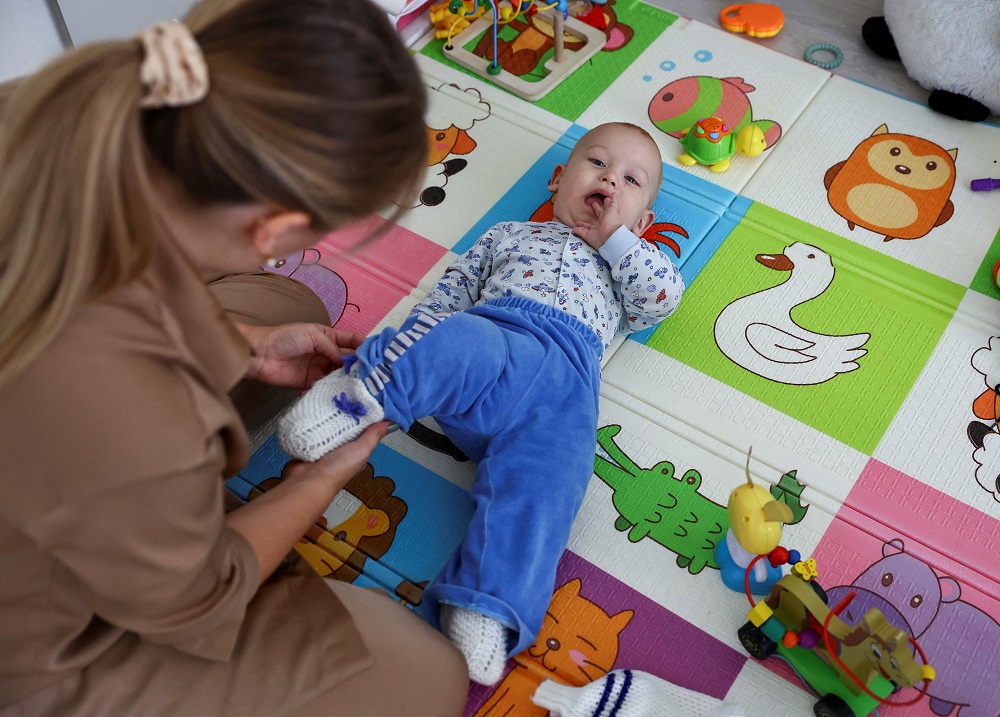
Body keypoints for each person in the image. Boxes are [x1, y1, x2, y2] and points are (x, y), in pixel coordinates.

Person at [0, 1, 471, 715]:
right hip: (31, 636)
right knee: (423, 669)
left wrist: (241, 342)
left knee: (289, 309)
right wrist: (317, 481)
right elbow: (197, 598)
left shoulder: (47, 107)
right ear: (274, 226)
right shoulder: (123, 407)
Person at [278, 122, 685, 685]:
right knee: (454, 340)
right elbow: (446, 301)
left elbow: (661, 302)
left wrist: (618, 242)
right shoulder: (508, 235)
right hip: (498, 337)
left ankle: (485, 600)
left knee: (556, 482)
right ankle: (359, 397)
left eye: (631, 179)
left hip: (567, 384)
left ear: (642, 222)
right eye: (596, 163)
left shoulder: (631, 262)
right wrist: (409, 353)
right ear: (558, 180)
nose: (610, 178)